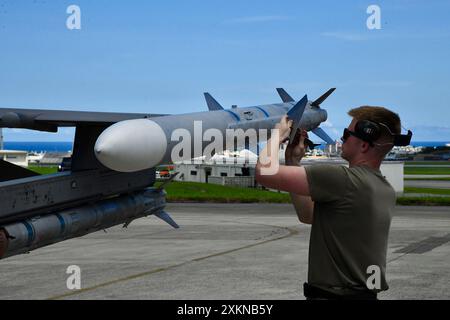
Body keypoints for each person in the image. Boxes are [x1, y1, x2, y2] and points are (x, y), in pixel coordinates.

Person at [255, 106, 408, 300]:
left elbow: (264, 172)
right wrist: (293, 162)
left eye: (347, 133)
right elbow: (309, 216)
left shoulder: (342, 179)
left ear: (364, 144)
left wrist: (278, 134)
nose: (342, 138)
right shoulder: (385, 189)